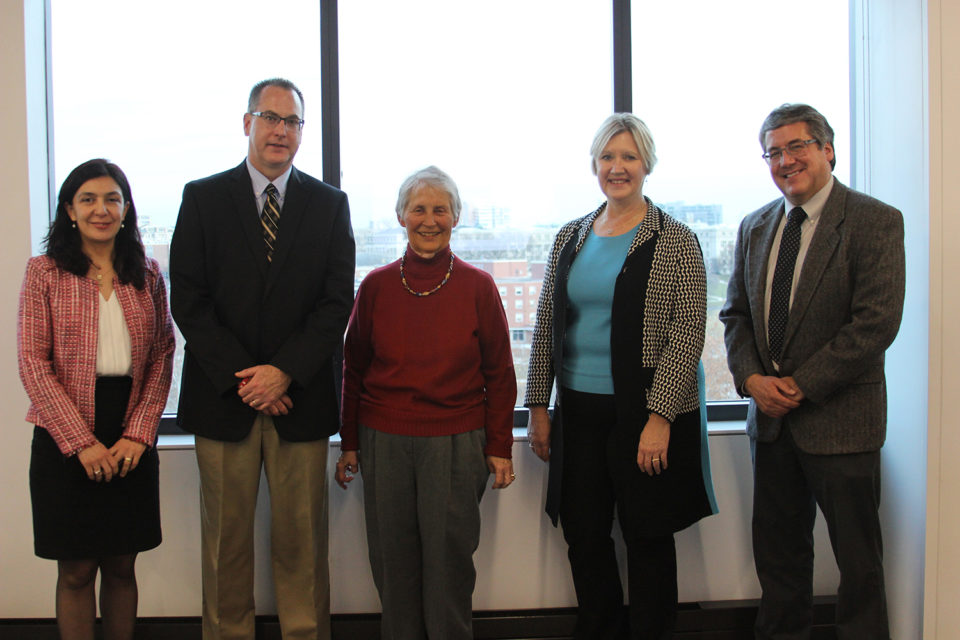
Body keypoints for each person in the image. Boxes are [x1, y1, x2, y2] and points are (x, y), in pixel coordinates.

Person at [169, 78, 355, 640]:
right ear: (246, 123)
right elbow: (189, 299)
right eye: (270, 118)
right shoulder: (202, 197)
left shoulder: (329, 204)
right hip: (224, 401)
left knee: (303, 545)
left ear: (301, 132)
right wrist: (248, 379)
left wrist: (282, 373)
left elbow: (335, 301)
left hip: (299, 399)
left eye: (292, 122)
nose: (281, 130)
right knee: (225, 546)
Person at [525, 114, 714, 639]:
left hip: (642, 414)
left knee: (648, 536)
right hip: (579, 413)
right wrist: (539, 408)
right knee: (584, 536)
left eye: (629, 157)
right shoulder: (571, 236)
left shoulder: (676, 240)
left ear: (647, 164)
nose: (617, 167)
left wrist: (660, 419)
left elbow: (686, 335)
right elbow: (547, 327)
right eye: (608, 157)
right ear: (594, 165)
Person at [720, 103, 905, 639]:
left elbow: (875, 323)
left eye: (797, 146)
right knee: (779, 560)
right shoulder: (756, 226)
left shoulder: (875, 220)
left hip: (843, 423)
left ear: (827, 149)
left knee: (859, 565)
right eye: (774, 152)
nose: (785, 160)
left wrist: (801, 386)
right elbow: (735, 315)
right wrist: (752, 380)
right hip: (772, 427)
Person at [335, 166, 517, 640]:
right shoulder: (374, 287)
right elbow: (352, 370)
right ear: (401, 216)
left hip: (457, 446)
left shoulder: (478, 287)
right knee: (393, 571)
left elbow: (499, 372)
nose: (429, 219)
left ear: (456, 217)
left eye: (441, 209)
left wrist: (500, 445)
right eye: (419, 208)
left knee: (448, 570)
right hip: (384, 442)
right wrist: (349, 443)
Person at [17, 158, 175, 640]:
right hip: (64, 435)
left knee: (122, 567)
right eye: (88, 199)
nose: (100, 209)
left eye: (112, 199)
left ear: (126, 210)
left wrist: (138, 435)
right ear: (70, 209)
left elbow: (163, 355)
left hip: (129, 431)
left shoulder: (147, 273)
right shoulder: (44, 272)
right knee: (77, 570)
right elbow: (32, 362)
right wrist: (80, 443)